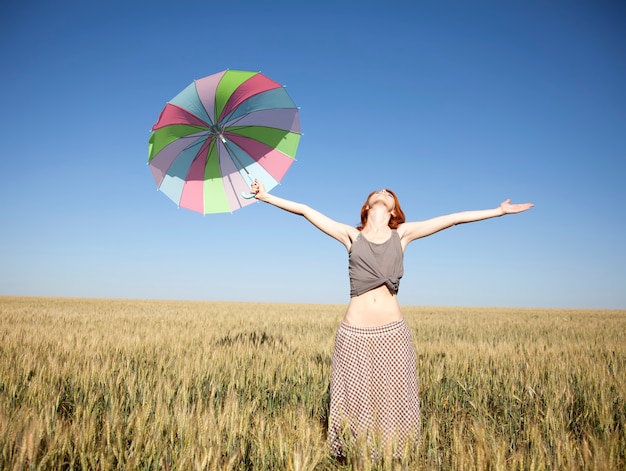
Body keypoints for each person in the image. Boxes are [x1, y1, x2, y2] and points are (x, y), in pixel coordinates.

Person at [250, 180, 533, 459]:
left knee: (394, 398)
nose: (383, 191)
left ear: (394, 211)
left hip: (393, 334)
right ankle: (354, 456)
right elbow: (306, 210)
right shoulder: (350, 235)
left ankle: (394, 456)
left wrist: (498, 211)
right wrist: (266, 197)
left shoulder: (403, 235)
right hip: (354, 333)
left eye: (388, 193)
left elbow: (453, 219)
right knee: (354, 397)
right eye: (377, 191)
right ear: (367, 205)